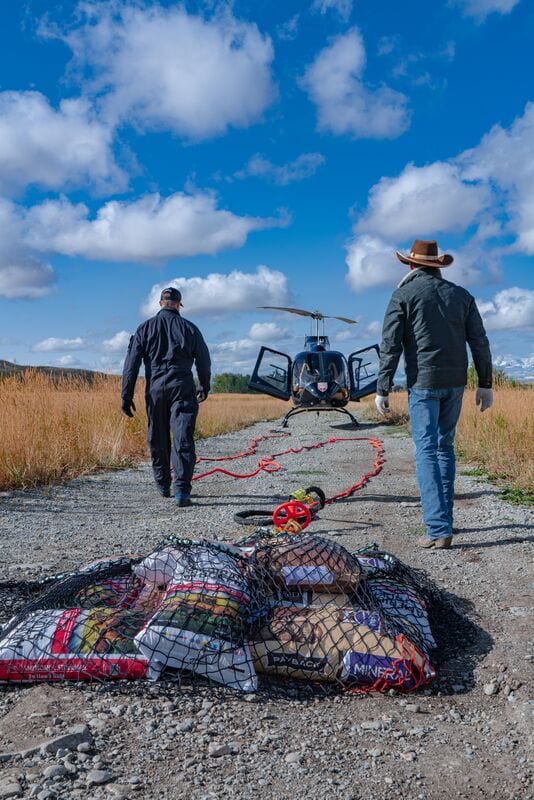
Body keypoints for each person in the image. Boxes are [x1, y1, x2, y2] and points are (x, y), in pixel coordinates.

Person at [374, 240, 493, 550]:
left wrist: (382, 387)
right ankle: (444, 522)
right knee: (444, 447)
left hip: (423, 383)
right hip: (455, 383)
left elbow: (391, 345)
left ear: (410, 266)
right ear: (437, 267)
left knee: (426, 449)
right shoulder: (462, 296)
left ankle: (439, 527)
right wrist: (485, 383)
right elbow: (480, 342)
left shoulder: (403, 295)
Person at [121, 287, 211, 507]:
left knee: (158, 436)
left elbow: (131, 365)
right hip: (182, 387)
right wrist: (205, 385)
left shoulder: (144, 328)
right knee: (183, 437)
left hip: (156, 389)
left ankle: (163, 485)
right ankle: (181, 491)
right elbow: (203, 360)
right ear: (179, 304)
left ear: (160, 303)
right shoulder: (190, 328)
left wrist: (126, 395)